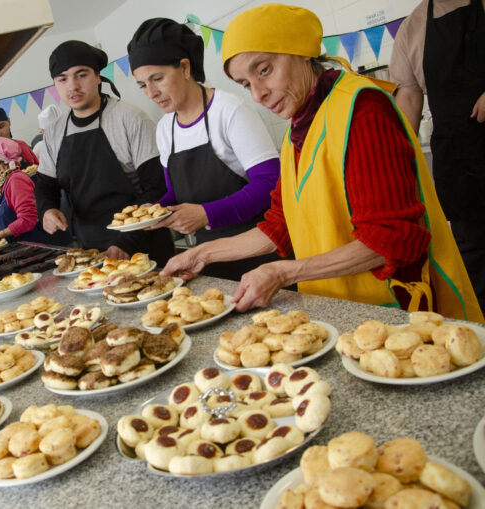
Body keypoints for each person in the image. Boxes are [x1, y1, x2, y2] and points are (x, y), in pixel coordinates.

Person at [162, 4, 483, 322]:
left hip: (398, 313)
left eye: (264, 70)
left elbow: (390, 241)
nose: (258, 94)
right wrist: (200, 254)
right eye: (245, 84)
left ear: (301, 51)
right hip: (342, 311)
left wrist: (283, 272)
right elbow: (279, 227)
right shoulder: (296, 132)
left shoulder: (362, 111)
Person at [127, 18, 283, 280]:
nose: (151, 93)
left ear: (185, 67)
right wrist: (148, 213)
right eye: (143, 85)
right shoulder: (167, 127)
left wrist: (206, 214)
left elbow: (271, 185)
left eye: (158, 78)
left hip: (259, 254)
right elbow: (175, 192)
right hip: (207, 259)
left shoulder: (230, 110)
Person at [34, 40, 175, 266]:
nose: (73, 86)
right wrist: (47, 209)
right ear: (55, 84)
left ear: (98, 76)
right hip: (91, 252)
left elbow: (157, 186)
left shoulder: (129, 118)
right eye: (63, 79)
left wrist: (125, 242)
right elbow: (45, 185)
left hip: (144, 248)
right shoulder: (54, 132)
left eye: (81, 75)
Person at [390, 0, 485, 312]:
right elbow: (408, 94)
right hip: (462, 167)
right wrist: (396, 160)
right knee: (475, 263)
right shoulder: (415, 26)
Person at [0, 137, 52, 244]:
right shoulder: (6, 182)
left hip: (34, 246)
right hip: (22, 246)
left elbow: (27, 219)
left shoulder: (16, 180)